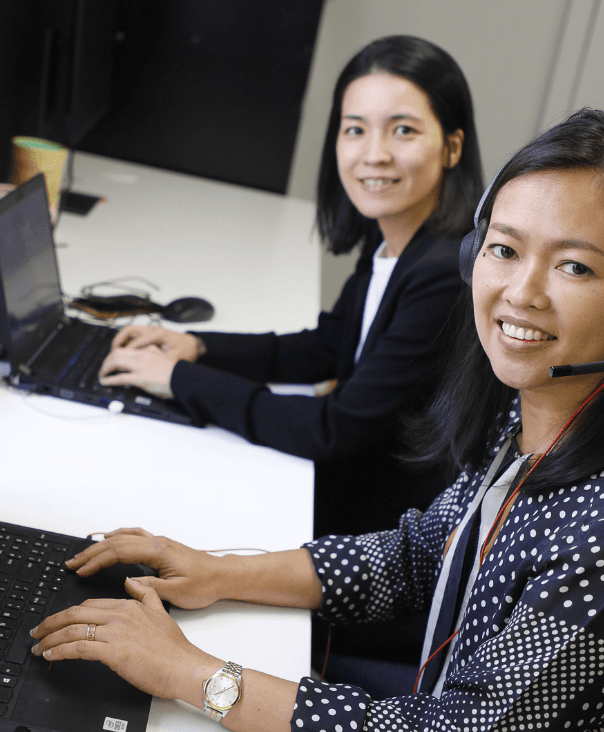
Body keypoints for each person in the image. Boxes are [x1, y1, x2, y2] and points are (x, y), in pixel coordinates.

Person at [37, 109, 604, 731]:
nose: (520, 292)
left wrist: (194, 674)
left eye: (573, 266)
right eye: (503, 249)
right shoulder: (536, 414)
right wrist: (216, 570)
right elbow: (422, 553)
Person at [98, 35, 484, 538]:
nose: (374, 154)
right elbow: (327, 345)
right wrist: (198, 347)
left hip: (377, 531)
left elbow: (333, 428)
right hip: (352, 494)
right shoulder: (395, 240)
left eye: (403, 130)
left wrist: (178, 380)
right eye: (354, 130)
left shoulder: (442, 273)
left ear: (452, 146)